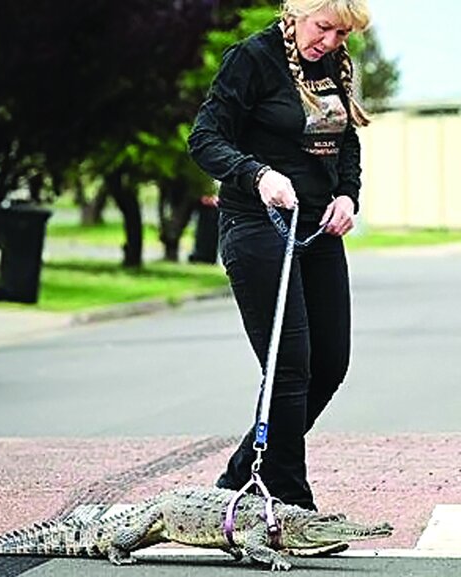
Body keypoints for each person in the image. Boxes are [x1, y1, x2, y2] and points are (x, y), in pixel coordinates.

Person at [188, 0, 372, 511]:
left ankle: (240, 477)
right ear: (296, 14)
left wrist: (348, 195)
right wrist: (258, 174)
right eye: (324, 28)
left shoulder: (333, 65)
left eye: (341, 35)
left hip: (319, 229)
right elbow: (204, 139)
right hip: (256, 224)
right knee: (290, 366)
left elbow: (346, 142)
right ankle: (289, 500)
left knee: (330, 364)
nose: (331, 42)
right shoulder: (253, 59)